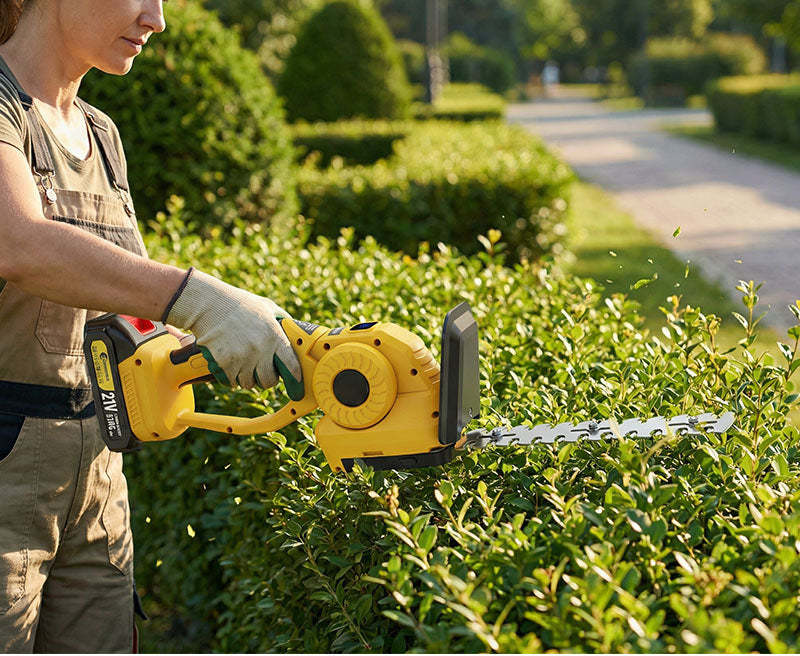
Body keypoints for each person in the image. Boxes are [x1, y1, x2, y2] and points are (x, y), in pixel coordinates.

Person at [0, 0, 302, 652]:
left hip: (100, 475)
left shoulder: (100, 133)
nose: (156, 19)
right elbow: (18, 242)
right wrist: (203, 300)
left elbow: (131, 317)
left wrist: (257, 338)